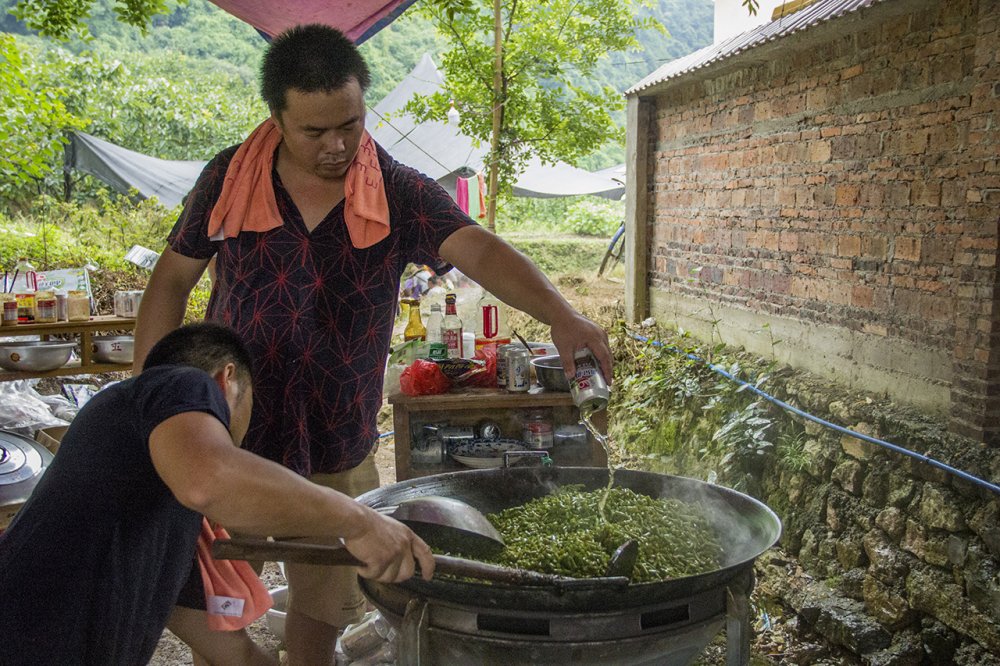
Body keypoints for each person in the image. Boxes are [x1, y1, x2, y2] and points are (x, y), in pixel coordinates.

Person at [131, 24, 612, 665]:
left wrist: (563, 314)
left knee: (322, 600)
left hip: (337, 429)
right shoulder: (230, 176)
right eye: (313, 131)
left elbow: (479, 248)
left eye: (350, 125)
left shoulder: (397, 190)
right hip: (234, 430)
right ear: (276, 117)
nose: (336, 146)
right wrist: (150, 397)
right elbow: (170, 282)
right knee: (225, 590)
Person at [0, 322, 434, 666]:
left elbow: (236, 655)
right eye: (250, 407)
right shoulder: (178, 384)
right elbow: (209, 478)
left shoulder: (153, 501)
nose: (241, 436)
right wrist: (359, 521)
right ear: (226, 379)